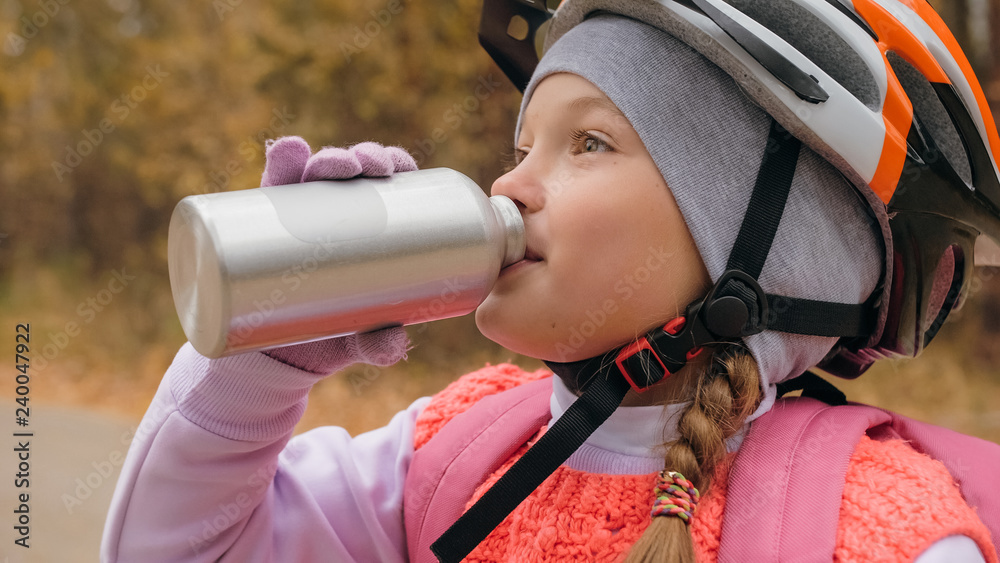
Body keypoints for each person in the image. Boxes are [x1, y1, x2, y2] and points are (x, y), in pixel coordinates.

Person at [102, 0, 1000, 561]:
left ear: (764, 249)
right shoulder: (457, 453)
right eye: (522, 145)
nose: (508, 185)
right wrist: (263, 357)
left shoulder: (875, 532)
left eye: (590, 143)